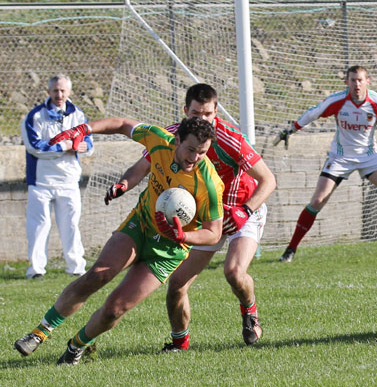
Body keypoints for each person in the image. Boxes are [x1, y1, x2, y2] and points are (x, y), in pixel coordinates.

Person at [14, 116, 224, 365]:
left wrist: (183, 236)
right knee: (97, 275)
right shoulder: (159, 139)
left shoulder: (209, 183)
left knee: (116, 309)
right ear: (176, 139)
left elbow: (214, 232)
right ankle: (40, 332)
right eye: (190, 149)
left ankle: (76, 346)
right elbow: (123, 125)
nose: (195, 158)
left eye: (202, 152)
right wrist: (85, 128)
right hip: (140, 226)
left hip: (168, 250)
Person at [104, 83, 276, 349]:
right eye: (196, 114)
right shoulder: (173, 137)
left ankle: (249, 311)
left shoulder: (231, 139)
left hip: (242, 211)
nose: (202, 120)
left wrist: (245, 210)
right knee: (177, 284)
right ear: (186, 112)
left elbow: (268, 180)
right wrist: (124, 184)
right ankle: (179, 342)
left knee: (233, 272)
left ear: (216, 112)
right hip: (205, 219)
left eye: (207, 114)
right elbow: (143, 167)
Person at [274, 65, 377, 263]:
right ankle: (290, 250)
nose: (356, 84)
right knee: (317, 201)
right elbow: (313, 113)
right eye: (352, 80)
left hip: (369, 157)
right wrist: (290, 130)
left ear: (368, 81)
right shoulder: (338, 100)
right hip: (340, 158)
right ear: (347, 82)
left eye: (360, 80)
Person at [20, 74, 94, 279]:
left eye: (63, 90)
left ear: (69, 91)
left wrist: (82, 146)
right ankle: (36, 269)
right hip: (41, 182)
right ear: (48, 92)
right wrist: (64, 146)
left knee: (71, 225)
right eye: (55, 91)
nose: (59, 94)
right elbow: (34, 147)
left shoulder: (78, 115)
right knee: (38, 227)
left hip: (69, 181)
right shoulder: (34, 116)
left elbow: (89, 143)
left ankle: (76, 267)